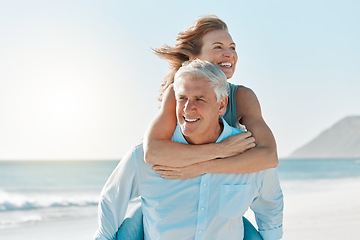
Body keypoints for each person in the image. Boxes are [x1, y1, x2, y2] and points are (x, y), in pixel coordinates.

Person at [94, 60, 283, 240]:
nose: (188, 108)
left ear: (222, 105)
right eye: (182, 98)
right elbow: (112, 199)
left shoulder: (249, 154)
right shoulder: (144, 156)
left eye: (199, 99)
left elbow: (270, 207)